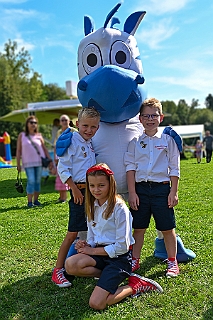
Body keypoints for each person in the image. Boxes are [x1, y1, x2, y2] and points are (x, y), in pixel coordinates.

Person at [64, 163, 163, 310]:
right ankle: (107, 277)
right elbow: (93, 236)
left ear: (111, 184)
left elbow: (122, 247)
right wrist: (86, 245)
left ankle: (136, 285)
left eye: (101, 185)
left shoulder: (119, 208)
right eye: (92, 186)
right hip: (100, 255)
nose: (96, 190)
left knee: (97, 303)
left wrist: (93, 251)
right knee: (70, 265)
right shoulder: (91, 205)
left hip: (119, 259)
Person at [124, 98, 180, 277]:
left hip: (162, 190)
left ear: (161, 117)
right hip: (140, 190)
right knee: (139, 228)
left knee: (167, 228)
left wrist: (173, 191)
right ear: (140, 119)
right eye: (146, 116)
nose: (150, 119)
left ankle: (172, 262)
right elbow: (130, 168)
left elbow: (174, 167)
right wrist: (132, 193)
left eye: (154, 116)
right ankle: (135, 260)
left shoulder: (167, 140)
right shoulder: (134, 142)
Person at [51, 107, 100, 287]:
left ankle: (88, 262)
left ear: (98, 127)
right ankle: (57, 271)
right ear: (77, 124)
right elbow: (62, 168)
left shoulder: (89, 143)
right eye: (85, 125)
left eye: (93, 127)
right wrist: (73, 189)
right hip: (79, 192)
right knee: (73, 233)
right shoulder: (72, 141)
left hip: (91, 192)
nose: (89, 130)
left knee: (93, 229)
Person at [16, 115, 53, 208]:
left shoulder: (39, 136)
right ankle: (29, 202)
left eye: (35, 123)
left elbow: (44, 149)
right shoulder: (22, 135)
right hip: (28, 163)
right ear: (27, 124)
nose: (33, 124)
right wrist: (18, 164)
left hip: (39, 162)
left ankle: (36, 200)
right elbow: (18, 150)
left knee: (37, 181)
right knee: (31, 180)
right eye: (31, 122)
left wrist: (50, 161)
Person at [54, 115, 78, 203]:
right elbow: (56, 145)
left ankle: (69, 196)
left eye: (65, 120)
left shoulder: (74, 131)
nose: (64, 122)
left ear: (69, 121)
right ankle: (62, 197)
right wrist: (55, 157)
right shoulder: (59, 132)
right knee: (60, 176)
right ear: (60, 122)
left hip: (72, 157)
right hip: (61, 157)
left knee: (72, 177)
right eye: (62, 120)